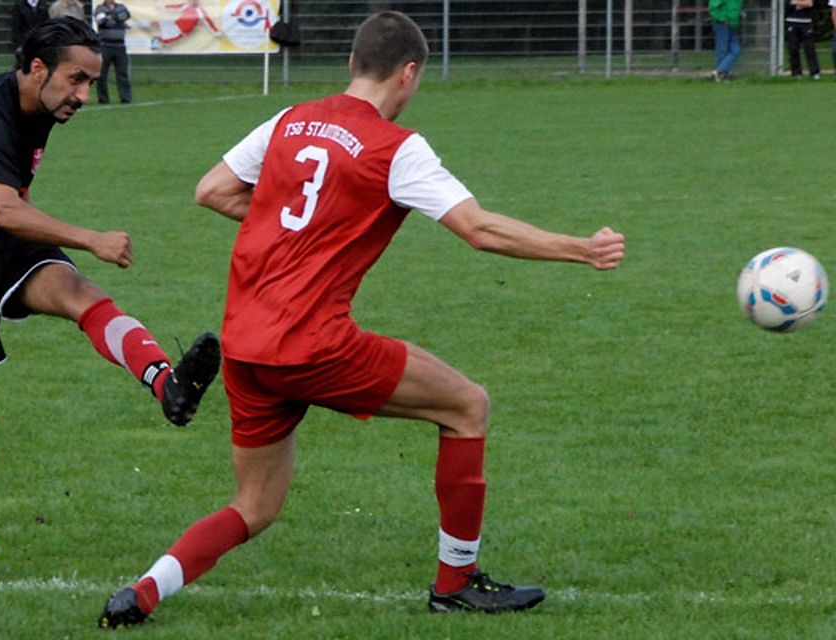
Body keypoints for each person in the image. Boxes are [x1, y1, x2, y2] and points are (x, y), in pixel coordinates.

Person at [98, 10, 626, 628]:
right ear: (409, 74)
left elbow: (211, 189)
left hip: (244, 346)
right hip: (315, 346)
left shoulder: (290, 119)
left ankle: (142, 592)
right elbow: (477, 229)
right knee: (466, 406)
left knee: (255, 505)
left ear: (352, 64)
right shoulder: (397, 148)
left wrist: (293, 232)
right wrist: (581, 248)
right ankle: (455, 582)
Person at [0, 17, 220, 585]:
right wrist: (91, 238)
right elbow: (4, 208)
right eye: (76, 80)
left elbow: (5, 214)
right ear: (37, 68)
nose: (84, 95)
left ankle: (168, 386)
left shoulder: (41, 107)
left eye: (91, 82)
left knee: (78, 293)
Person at [94, 0, 132, 104]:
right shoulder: (100, 8)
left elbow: (125, 16)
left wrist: (111, 17)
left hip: (120, 46)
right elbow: (101, 21)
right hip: (105, 45)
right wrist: (115, 19)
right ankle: (103, 98)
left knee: (122, 73)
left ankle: (126, 98)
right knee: (102, 74)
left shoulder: (121, 7)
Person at [785, 0, 821, 79]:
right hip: (791, 22)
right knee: (793, 48)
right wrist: (802, 4)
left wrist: (797, 3)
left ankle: (814, 72)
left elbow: (811, 4)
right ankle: (796, 73)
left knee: (809, 48)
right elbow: (787, 5)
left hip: (806, 23)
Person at [709, 0, 743, 81]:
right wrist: (722, 18)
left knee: (736, 50)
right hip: (722, 24)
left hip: (732, 25)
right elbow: (713, 7)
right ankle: (722, 75)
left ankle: (719, 72)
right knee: (722, 50)